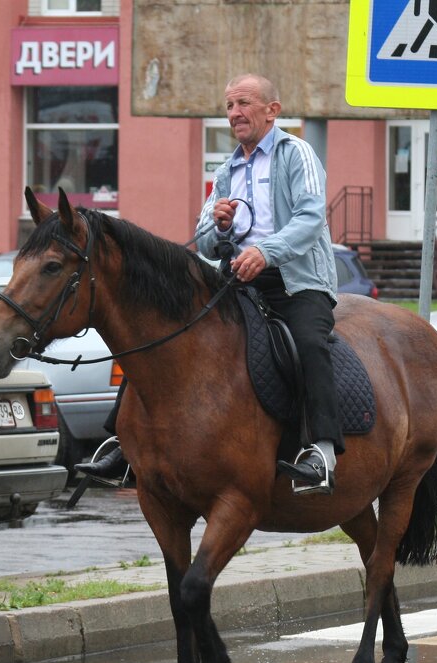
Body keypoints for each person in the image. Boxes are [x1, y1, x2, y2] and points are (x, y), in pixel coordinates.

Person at [76, 73, 344, 494]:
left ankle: (322, 453)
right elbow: (203, 239)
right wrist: (220, 229)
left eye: (243, 103)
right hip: (237, 279)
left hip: (295, 281)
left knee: (310, 343)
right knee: (162, 331)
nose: (234, 113)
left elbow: (311, 219)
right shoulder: (226, 170)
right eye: (228, 106)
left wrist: (266, 253)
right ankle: (120, 444)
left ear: (272, 110)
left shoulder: (297, 154)